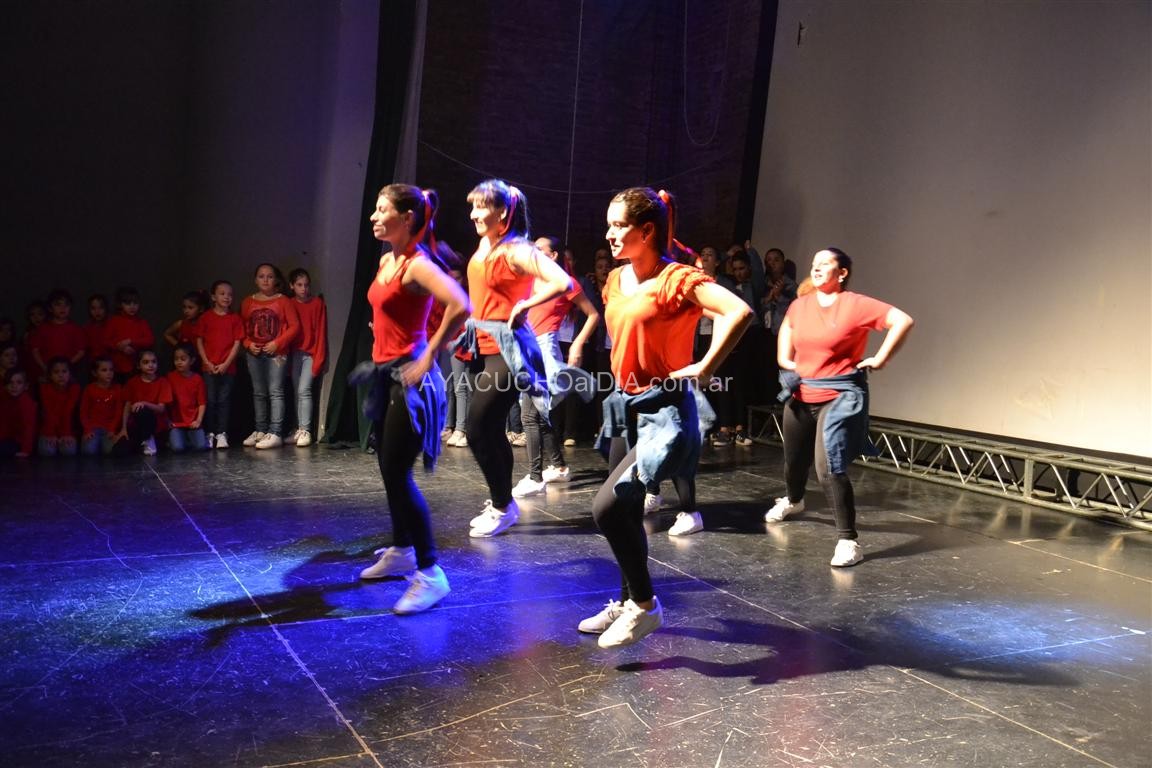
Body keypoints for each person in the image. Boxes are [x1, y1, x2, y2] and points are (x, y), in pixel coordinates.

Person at [580, 187, 752, 648]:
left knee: (606, 508)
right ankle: (626, 602)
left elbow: (739, 311)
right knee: (626, 512)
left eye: (619, 225)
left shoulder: (677, 279)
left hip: (663, 409)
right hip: (625, 404)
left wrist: (706, 365)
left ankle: (644, 605)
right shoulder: (616, 279)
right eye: (609, 224)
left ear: (647, 230)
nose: (609, 233)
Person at [355, 183, 470, 614]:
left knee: (398, 472)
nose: (374, 216)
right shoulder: (387, 260)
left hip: (411, 380)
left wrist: (429, 354)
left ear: (406, 218)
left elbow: (460, 303)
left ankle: (431, 572)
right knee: (388, 469)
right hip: (385, 374)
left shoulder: (418, 265)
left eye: (382, 209)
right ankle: (402, 549)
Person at [766, 248, 914, 567]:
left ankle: (848, 540)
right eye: (814, 263)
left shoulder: (856, 305)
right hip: (802, 393)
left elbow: (902, 320)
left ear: (842, 272)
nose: (816, 268)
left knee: (828, 466)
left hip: (838, 395)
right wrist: (786, 360)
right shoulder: (801, 305)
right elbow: (788, 329)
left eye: (825, 264)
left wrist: (881, 358)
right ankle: (794, 500)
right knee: (794, 462)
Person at [458, 179, 572, 538]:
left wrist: (526, 304)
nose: (473, 214)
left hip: (510, 349)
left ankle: (502, 506)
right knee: (491, 429)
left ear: (503, 212)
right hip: (484, 344)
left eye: (481, 207)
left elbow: (563, 282)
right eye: (472, 206)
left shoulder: (517, 250)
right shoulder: (485, 244)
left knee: (477, 428)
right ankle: (502, 503)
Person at [511, 236, 599, 498]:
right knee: (540, 415)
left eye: (539, 249)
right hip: (526, 346)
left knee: (530, 416)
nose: (533, 252)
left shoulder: (565, 282)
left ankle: (535, 477)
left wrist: (577, 343)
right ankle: (559, 467)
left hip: (544, 347)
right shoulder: (530, 280)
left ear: (553, 255)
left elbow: (593, 315)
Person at [240, 263, 299, 449]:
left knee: (275, 391)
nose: (265, 280)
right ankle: (260, 430)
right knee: (258, 392)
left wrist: (277, 343)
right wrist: (248, 344)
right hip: (254, 354)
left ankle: (275, 432)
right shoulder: (247, 302)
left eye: (270, 276)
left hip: (276, 354)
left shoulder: (283, 301)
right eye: (261, 276)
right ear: (255, 280)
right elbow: (241, 329)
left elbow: (294, 326)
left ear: (276, 280)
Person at [196, 280, 245, 449]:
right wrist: (207, 362)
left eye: (230, 294)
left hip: (227, 368)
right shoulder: (206, 317)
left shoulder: (235, 318)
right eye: (222, 293)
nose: (226, 297)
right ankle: (210, 432)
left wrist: (226, 363)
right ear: (213, 297)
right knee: (210, 400)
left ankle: (222, 433)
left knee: (224, 400)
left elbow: (237, 342)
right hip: (209, 367)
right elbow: (199, 340)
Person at [285, 268, 327, 447]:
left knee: (304, 390)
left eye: (306, 285)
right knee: (297, 391)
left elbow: (321, 333)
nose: (304, 289)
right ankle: (298, 429)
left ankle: (305, 429)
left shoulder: (317, 304)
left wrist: (318, 358)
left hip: (310, 353)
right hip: (295, 353)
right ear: (292, 286)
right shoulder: (289, 304)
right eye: (299, 285)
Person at [118, 349, 172, 456]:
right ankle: (143, 441)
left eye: (153, 362)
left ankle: (149, 439)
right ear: (139, 365)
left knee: (143, 409)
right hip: (136, 424)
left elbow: (161, 409)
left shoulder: (163, 382)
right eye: (146, 362)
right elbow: (127, 406)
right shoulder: (132, 382)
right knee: (120, 451)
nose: (150, 365)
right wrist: (123, 428)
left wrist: (144, 403)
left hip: (156, 424)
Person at [30, 290, 86, 381]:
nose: (62, 308)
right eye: (58, 304)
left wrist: (65, 367)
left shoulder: (76, 329)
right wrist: (44, 367)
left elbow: (81, 351)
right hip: (46, 373)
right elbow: (35, 350)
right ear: (50, 308)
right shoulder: (43, 328)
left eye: (66, 305)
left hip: (68, 374)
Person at [104, 286, 155, 383]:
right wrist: (120, 347)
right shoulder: (114, 321)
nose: (132, 307)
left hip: (136, 366)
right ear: (121, 304)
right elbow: (106, 341)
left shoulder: (141, 322)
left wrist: (131, 341)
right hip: (116, 367)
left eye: (135, 303)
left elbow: (150, 340)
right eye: (128, 303)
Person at [166, 344, 209, 452]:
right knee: (177, 448)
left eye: (183, 359)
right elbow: (165, 402)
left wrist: (198, 420)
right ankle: (179, 439)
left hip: (192, 423)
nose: (179, 362)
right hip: (176, 423)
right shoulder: (170, 377)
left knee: (201, 446)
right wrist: (168, 420)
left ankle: (188, 438)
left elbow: (202, 403)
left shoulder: (197, 379)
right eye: (176, 359)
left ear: (192, 361)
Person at [80, 357, 123, 456]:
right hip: (93, 428)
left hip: (109, 428)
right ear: (95, 373)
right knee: (88, 451)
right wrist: (87, 429)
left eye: (111, 370)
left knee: (110, 450)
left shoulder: (117, 389)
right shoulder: (89, 389)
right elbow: (83, 412)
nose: (109, 373)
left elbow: (118, 412)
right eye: (104, 370)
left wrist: (112, 429)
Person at [37, 357, 80, 456]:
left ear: (70, 373)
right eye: (56, 372)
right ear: (50, 375)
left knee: (69, 451)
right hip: (48, 427)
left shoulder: (74, 388)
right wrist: (51, 433)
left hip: (68, 428)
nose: (61, 375)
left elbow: (68, 411)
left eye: (64, 371)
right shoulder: (44, 388)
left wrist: (66, 434)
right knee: (47, 452)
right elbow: (49, 412)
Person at [0, 369, 37, 458]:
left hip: (20, 441)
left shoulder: (26, 403)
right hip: (7, 437)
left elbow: (29, 428)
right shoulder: (4, 397)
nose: (14, 386)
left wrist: (25, 450)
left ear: (25, 386)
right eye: (10, 383)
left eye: (19, 383)